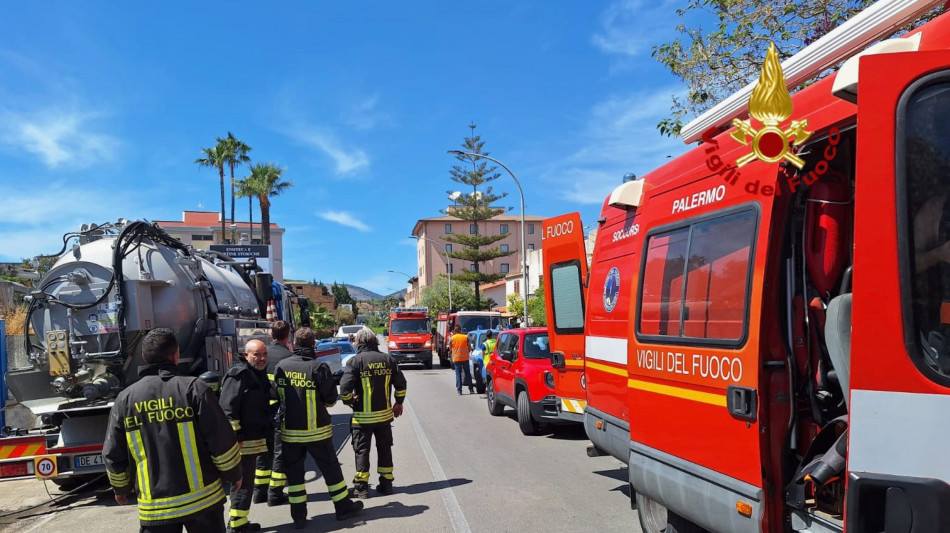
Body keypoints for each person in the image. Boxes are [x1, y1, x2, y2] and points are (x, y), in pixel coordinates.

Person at [103, 328, 242, 533]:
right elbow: (221, 440)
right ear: (176, 355)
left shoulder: (125, 399)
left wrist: (121, 489)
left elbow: (113, 453)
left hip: (156, 509)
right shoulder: (194, 389)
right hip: (203, 502)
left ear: (144, 357)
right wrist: (234, 474)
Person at [273, 327, 363, 529]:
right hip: (317, 432)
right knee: (331, 471)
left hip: (289, 433)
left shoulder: (281, 366)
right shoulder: (319, 367)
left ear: (294, 344)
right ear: (313, 344)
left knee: (295, 477)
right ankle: (343, 508)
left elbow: (277, 394)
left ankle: (298, 517)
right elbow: (331, 400)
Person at [339, 328, 407, 498]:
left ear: (359, 342)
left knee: (362, 451)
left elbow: (345, 389)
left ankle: (361, 488)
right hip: (384, 417)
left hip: (362, 419)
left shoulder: (355, 361)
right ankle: (386, 484)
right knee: (384, 449)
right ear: (375, 341)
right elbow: (401, 384)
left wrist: (350, 401)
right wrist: (398, 403)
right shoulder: (388, 360)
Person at [219, 340, 272, 532]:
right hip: (243, 443)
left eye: (264, 354)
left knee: (246, 484)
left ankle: (238, 522)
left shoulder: (257, 374)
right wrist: (236, 437)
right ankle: (236, 526)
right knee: (242, 484)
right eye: (257, 355)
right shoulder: (239, 375)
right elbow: (227, 410)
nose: (262, 358)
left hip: (255, 439)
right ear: (246, 354)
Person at [255, 321, 293, 506]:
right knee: (279, 454)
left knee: (262, 452)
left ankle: (259, 493)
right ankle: (275, 494)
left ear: (271, 334)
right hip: (279, 412)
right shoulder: (288, 357)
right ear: (288, 335)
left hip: (260, 411)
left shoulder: (263, 355)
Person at [450, 325, 473, 395]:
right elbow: (469, 346)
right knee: (468, 374)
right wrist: (468, 351)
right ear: (460, 330)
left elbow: (450, 348)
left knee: (458, 374)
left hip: (456, 359)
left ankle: (459, 390)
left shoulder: (452, 338)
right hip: (465, 358)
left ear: (455, 331)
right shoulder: (465, 337)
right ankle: (471, 389)